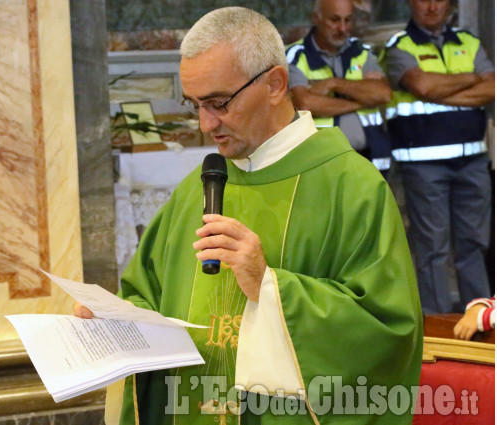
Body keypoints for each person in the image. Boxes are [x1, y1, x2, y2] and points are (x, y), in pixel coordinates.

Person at [76, 7, 422, 424]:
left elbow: (387, 332)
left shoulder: (351, 187)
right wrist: (114, 321)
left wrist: (270, 287)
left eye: (219, 103)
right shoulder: (195, 191)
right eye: (195, 105)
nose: (206, 124)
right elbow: (147, 294)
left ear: (275, 84)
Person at [379, 0, 495, 314]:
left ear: (451, 5)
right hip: (423, 164)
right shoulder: (399, 46)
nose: (431, 6)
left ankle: (482, 322)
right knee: (433, 251)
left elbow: (493, 87)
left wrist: (443, 89)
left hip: (472, 162)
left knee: (474, 246)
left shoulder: (468, 42)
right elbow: (423, 85)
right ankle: (440, 329)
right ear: (410, 4)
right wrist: (472, 78)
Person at [286, 0, 392, 176]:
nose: (343, 28)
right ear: (316, 19)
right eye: (335, 20)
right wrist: (362, 101)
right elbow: (305, 103)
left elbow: (383, 94)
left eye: (348, 20)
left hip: (370, 161)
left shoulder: (362, 52)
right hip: (321, 164)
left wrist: (333, 83)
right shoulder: (296, 56)